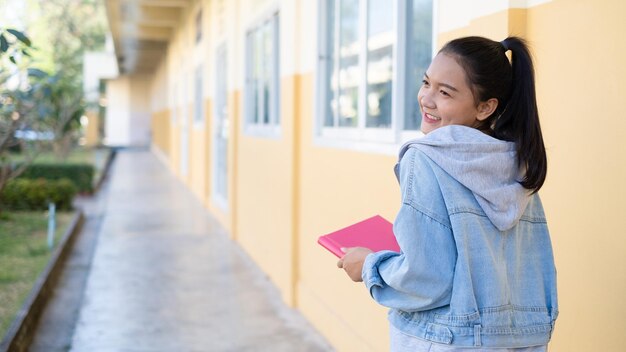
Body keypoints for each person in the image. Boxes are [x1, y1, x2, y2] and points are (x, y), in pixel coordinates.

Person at [337, 36, 558, 351]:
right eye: (426, 83)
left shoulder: (426, 157)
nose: (427, 99)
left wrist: (370, 265)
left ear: (485, 107)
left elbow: (426, 279)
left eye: (445, 92)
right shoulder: (520, 164)